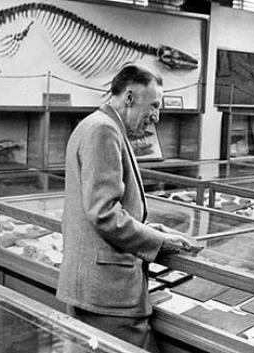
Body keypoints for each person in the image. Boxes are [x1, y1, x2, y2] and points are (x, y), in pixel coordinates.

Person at [57, 64, 194, 352]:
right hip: (108, 295)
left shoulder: (98, 125)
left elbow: (103, 206)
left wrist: (151, 229)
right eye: (154, 105)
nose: (156, 116)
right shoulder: (103, 131)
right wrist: (158, 241)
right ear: (129, 97)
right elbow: (104, 213)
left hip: (97, 289)